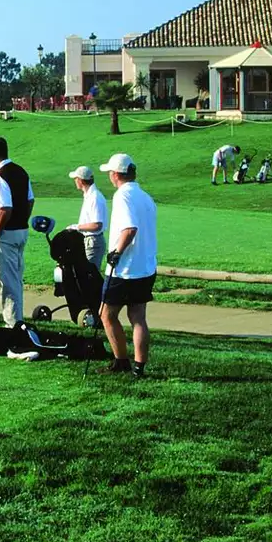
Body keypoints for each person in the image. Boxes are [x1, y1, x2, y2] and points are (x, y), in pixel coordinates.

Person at [98, 153, 158, 376]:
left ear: (116, 175)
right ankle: (139, 368)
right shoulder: (145, 196)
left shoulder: (122, 196)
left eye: (110, 173)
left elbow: (129, 229)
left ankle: (121, 361)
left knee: (106, 314)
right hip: (145, 266)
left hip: (125, 269)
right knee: (138, 316)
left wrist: (116, 252)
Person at [0, 135, 34, 329]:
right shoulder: (21, 172)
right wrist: (23, 220)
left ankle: (13, 324)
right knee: (16, 278)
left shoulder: (0, 177)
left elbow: (5, 208)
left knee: (8, 281)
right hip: (21, 231)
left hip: (6, 234)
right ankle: (17, 319)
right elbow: (30, 200)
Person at [66, 165, 109, 269]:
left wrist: (76, 227)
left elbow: (96, 225)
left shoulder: (95, 197)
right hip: (90, 241)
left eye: (76, 179)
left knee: (89, 275)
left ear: (80, 180)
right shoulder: (90, 195)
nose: (75, 181)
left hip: (93, 242)